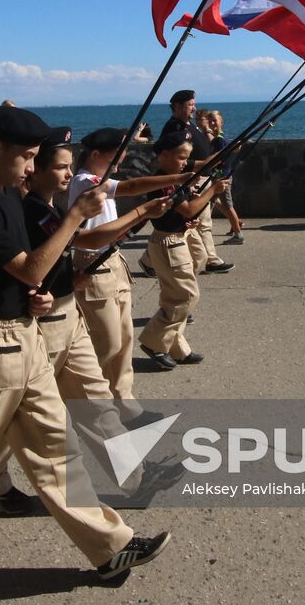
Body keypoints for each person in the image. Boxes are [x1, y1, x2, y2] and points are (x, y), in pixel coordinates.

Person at [0, 106, 171, 597]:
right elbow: (29, 267)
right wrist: (74, 221)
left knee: (55, 452)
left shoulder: (11, 202)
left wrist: (37, 297)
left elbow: (23, 279)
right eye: (25, 156)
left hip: (25, 336)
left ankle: (110, 547)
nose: (30, 165)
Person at [0, 127, 173, 514]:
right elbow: (64, 249)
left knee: (96, 402)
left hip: (67, 314)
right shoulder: (28, 209)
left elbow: (70, 247)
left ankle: (137, 479)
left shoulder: (47, 208)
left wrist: (67, 278)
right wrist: (143, 210)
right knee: (13, 413)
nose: (68, 174)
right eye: (59, 167)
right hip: (42, 325)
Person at [69, 127, 189, 414]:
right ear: (97, 154)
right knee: (106, 342)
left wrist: (177, 181)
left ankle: (124, 405)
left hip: (113, 262)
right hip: (92, 264)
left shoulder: (100, 179)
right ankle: (73, 398)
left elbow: (129, 187)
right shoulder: (84, 182)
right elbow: (130, 188)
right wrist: (172, 183)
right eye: (119, 152)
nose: (123, 157)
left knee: (124, 340)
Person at [138, 129, 229, 371]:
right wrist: (212, 191)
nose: (184, 163)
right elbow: (188, 209)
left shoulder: (172, 181)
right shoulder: (164, 184)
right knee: (185, 297)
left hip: (176, 237)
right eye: (180, 157)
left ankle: (176, 348)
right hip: (169, 244)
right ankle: (154, 341)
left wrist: (187, 218)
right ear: (164, 155)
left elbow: (183, 213)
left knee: (176, 296)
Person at [161, 90, 232, 274]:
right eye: (190, 105)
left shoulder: (189, 125)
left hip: (202, 176)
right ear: (177, 106)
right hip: (191, 178)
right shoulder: (174, 128)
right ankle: (211, 260)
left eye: (194, 104)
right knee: (200, 221)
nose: (194, 108)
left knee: (198, 222)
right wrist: (203, 163)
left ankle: (150, 261)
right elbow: (173, 157)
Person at [200, 110, 244, 244]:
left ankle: (238, 234)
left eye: (215, 120)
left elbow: (219, 159)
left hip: (222, 177)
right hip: (219, 176)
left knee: (226, 205)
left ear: (221, 122)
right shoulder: (218, 138)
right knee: (212, 202)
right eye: (210, 120)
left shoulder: (219, 140)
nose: (212, 122)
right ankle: (235, 225)